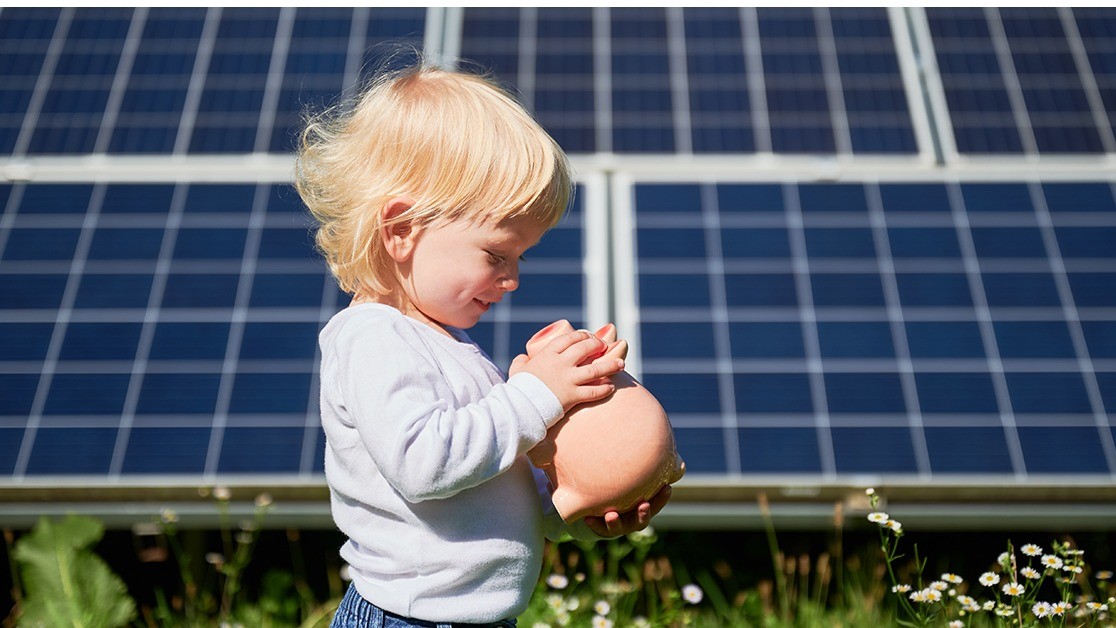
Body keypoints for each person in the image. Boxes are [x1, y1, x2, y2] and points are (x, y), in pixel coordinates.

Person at [296, 62, 672, 628]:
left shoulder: (446, 346)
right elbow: (424, 465)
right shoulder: (374, 339)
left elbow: (484, 492)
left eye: (521, 258)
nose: (513, 278)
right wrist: (536, 394)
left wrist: (577, 502)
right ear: (401, 231)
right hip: (411, 618)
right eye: (497, 254)